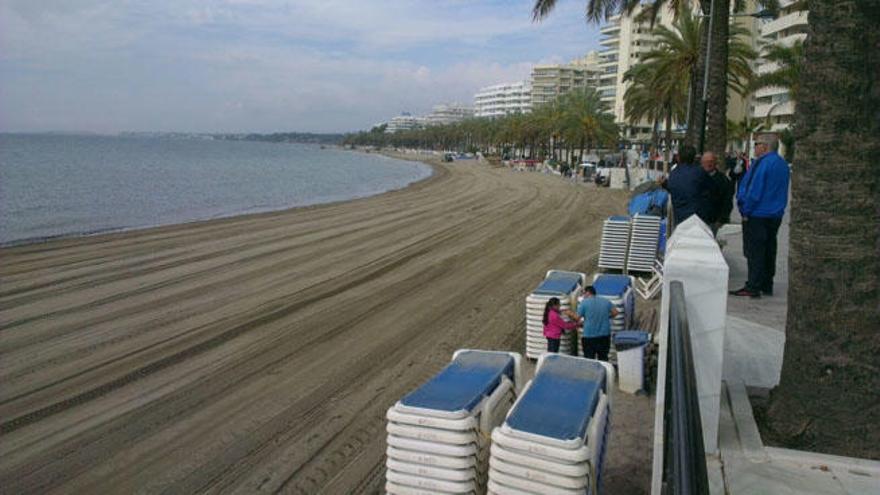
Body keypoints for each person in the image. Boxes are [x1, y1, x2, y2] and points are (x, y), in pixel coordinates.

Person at [730, 134, 790, 298]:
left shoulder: (762, 164)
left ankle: (753, 285)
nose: (754, 147)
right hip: (774, 214)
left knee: (754, 251)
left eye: (756, 144)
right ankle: (766, 283)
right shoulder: (782, 164)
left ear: (765, 146)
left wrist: (745, 211)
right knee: (769, 249)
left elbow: (754, 191)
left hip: (758, 214)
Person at [660, 145, 713, 225]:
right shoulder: (700, 172)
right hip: (698, 218)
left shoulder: (674, 173)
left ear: (679, 157)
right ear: (694, 157)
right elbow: (711, 189)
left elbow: (673, 188)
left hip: (679, 217)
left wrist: (664, 184)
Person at [577, 286, 618, 361]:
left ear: (588, 292)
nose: (583, 296)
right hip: (604, 335)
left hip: (589, 336)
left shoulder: (584, 303)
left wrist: (569, 313)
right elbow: (615, 312)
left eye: (584, 294)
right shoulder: (605, 301)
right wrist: (607, 317)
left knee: (589, 359)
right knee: (603, 357)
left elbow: (577, 318)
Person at [701, 151, 733, 234]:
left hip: (714, 221)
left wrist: (722, 220)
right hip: (698, 221)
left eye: (711, 161)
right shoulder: (697, 178)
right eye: (705, 162)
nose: (708, 164)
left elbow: (727, 201)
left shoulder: (723, 180)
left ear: (715, 163)